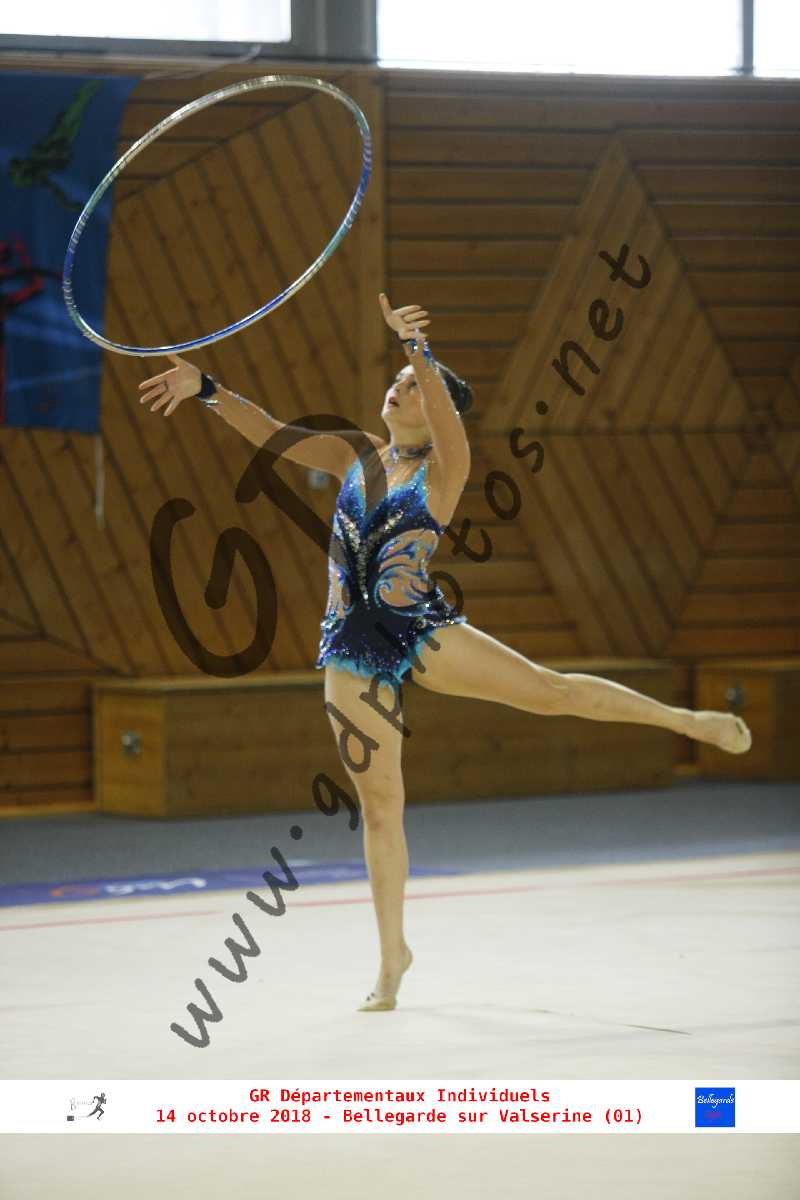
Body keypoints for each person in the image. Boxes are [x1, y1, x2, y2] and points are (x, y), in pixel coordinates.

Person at [138, 293, 752, 1013]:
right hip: (351, 647)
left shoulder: (446, 469)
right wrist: (206, 389)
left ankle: (686, 722)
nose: (397, 390)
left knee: (550, 691)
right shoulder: (356, 455)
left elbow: (441, 409)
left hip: (419, 629)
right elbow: (272, 434)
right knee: (380, 807)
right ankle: (392, 957)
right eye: (396, 382)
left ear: (435, 414)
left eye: (412, 388)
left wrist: (417, 352)